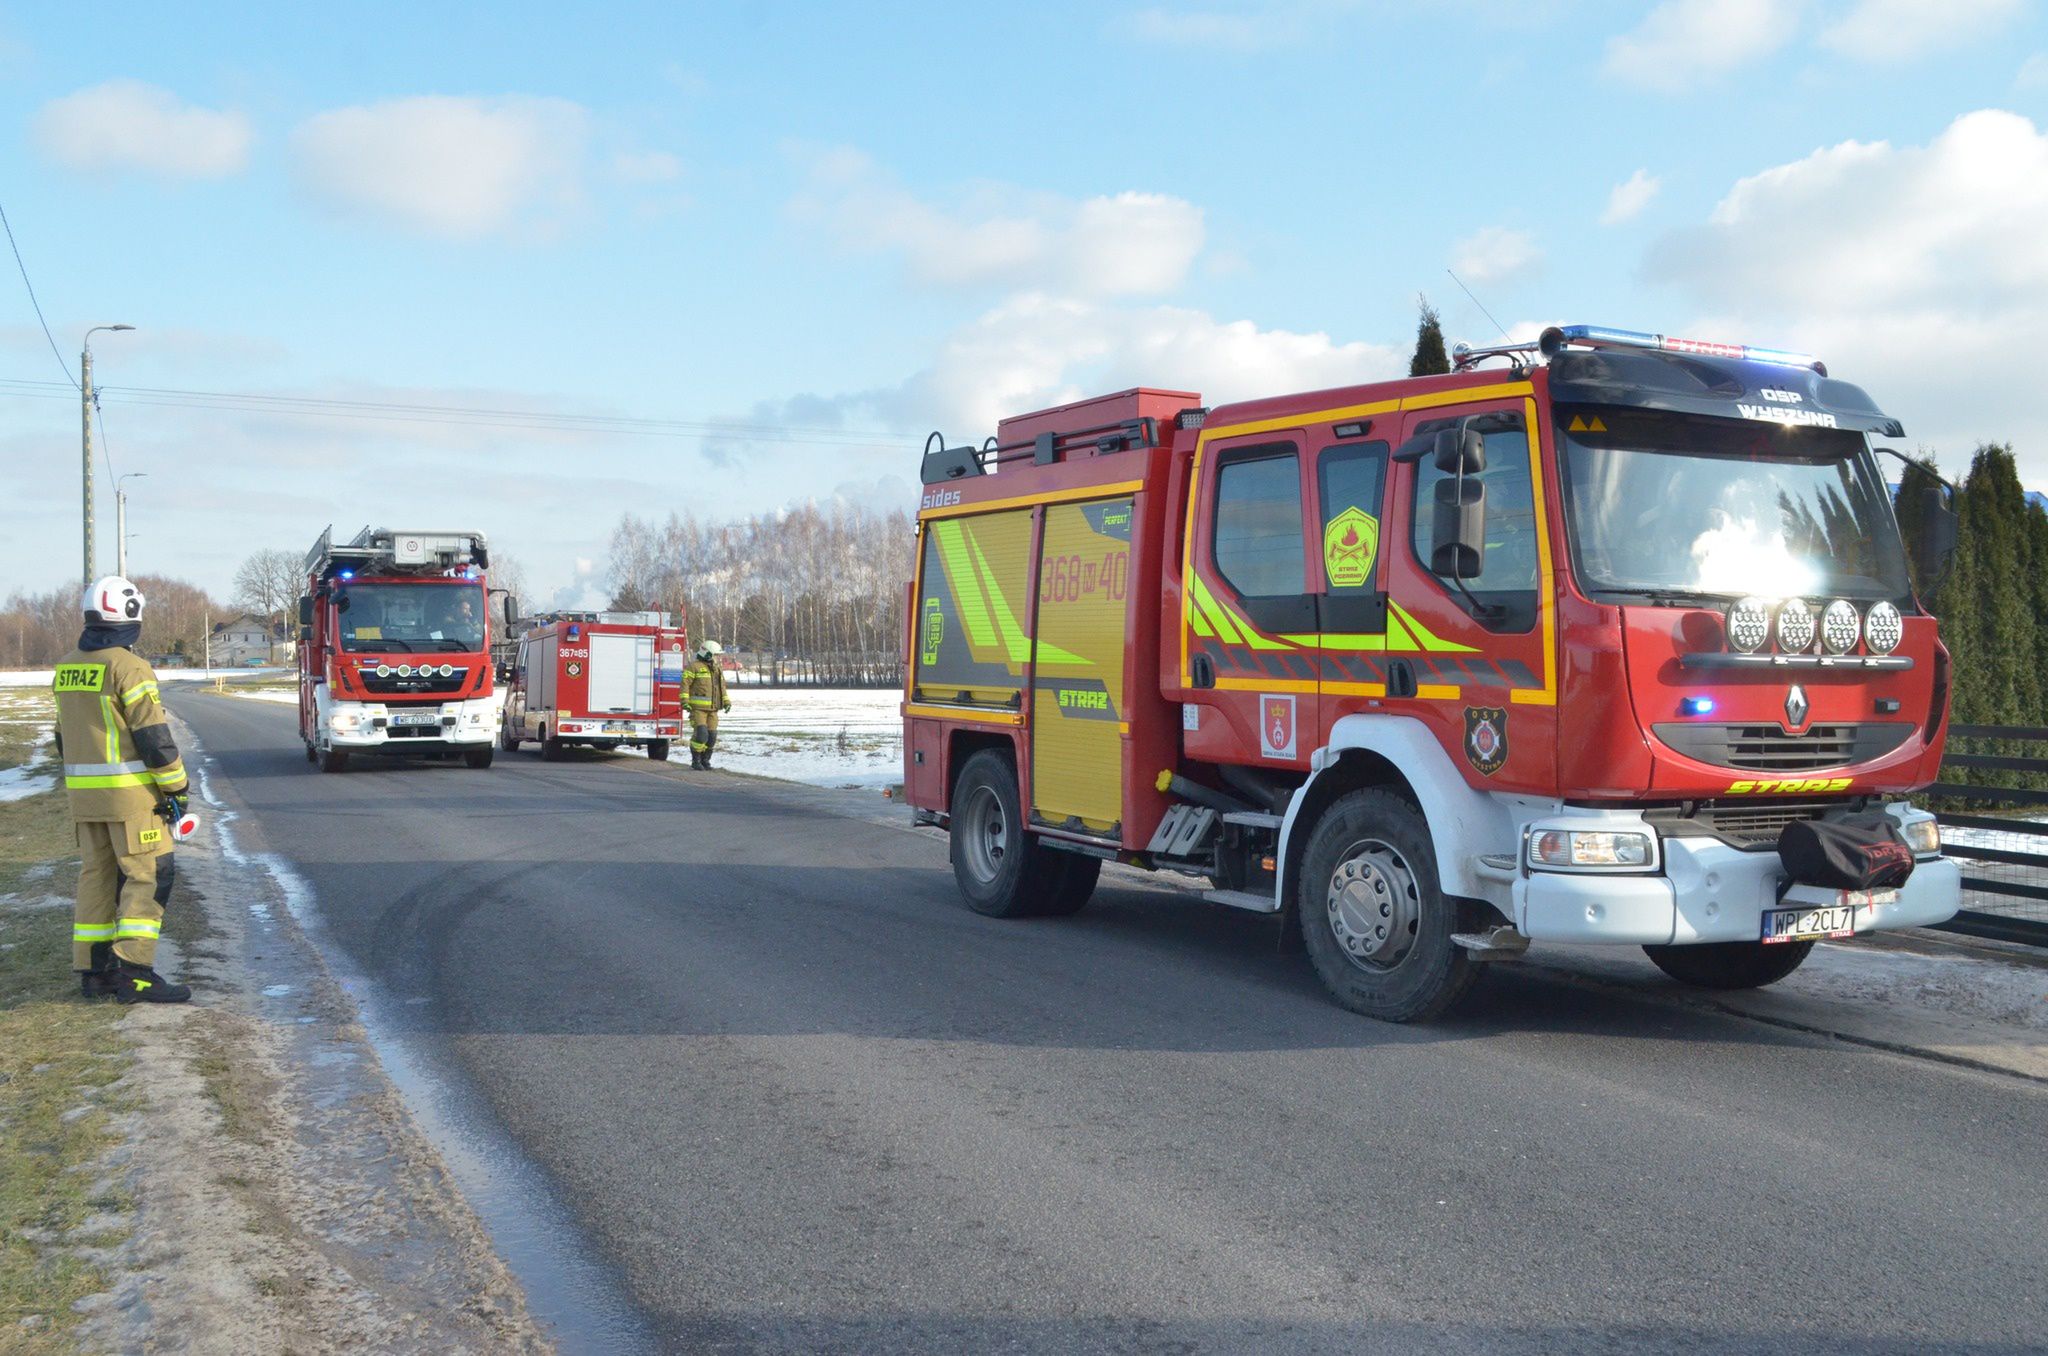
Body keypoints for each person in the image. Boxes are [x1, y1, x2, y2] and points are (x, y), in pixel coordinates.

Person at [52, 576, 192, 1003]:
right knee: (149, 878)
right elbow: (153, 738)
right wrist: (177, 788)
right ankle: (136, 974)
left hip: (84, 799)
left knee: (96, 879)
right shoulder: (129, 667)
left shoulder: (68, 666)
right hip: (132, 798)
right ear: (130, 616)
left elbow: (62, 737)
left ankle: (95, 975)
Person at [683, 640, 732, 769]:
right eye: (716, 655)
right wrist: (685, 702)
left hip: (713, 710)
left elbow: (722, 688)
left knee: (712, 737)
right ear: (708, 654)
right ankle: (696, 761)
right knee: (701, 734)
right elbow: (685, 685)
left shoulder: (717, 670)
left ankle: (706, 760)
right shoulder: (694, 667)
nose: (718, 658)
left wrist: (726, 702)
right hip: (698, 710)